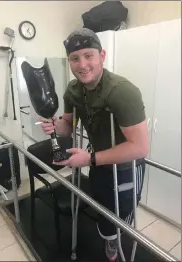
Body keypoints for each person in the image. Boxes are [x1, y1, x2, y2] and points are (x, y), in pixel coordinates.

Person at [40, 28, 149, 262]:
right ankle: (109, 238)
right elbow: (68, 126)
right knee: (102, 208)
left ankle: (117, 242)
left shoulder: (122, 92)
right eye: (75, 58)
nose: (82, 64)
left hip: (125, 168)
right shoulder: (73, 90)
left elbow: (140, 147)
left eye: (89, 55)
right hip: (98, 163)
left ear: (102, 55)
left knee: (120, 218)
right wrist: (55, 126)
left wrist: (89, 159)